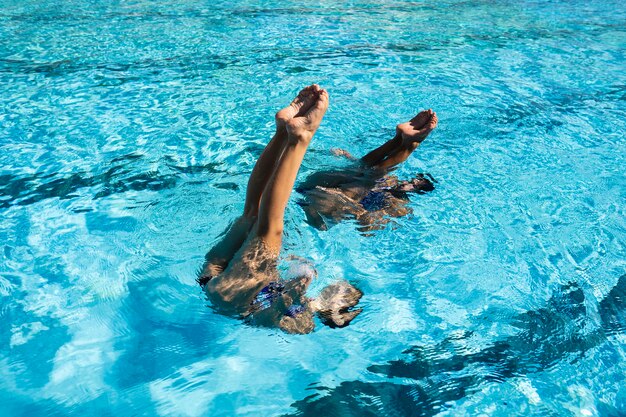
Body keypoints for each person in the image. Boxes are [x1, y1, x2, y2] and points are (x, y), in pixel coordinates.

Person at [198, 85, 362, 334]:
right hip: (213, 278)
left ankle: (299, 137)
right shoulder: (307, 306)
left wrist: (292, 294)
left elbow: (270, 316)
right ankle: (281, 134)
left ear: (336, 313)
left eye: (345, 295)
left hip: (237, 296)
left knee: (269, 227)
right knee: (252, 212)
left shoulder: (304, 324)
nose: (340, 286)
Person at [296, 109, 438, 232]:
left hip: (319, 212)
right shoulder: (391, 181)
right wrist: (348, 157)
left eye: (413, 186)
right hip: (310, 192)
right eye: (411, 180)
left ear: (415, 193)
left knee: (365, 179)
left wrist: (356, 210)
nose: (407, 184)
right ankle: (399, 139)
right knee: (360, 168)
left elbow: (366, 229)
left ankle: (410, 143)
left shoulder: (399, 206)